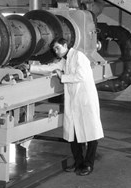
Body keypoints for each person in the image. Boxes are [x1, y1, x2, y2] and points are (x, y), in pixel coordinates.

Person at [29, 37, 103, 176]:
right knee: (73, 133)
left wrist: (62, 76)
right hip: (74, 101)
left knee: (91, 133)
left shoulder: (79, 56)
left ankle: (88, 164)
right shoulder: (65, 60)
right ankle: (78, 162)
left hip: (85, 100)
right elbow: (51, 67)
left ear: (65, 45)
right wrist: (30, 67)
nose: (56, 52)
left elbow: (81, 75)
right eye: (54, 50)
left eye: (58, 48)